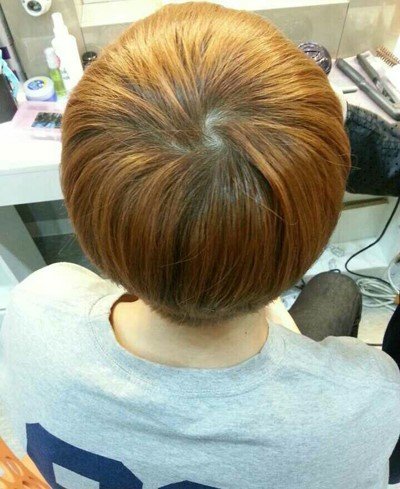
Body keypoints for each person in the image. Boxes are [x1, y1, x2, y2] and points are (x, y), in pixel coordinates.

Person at [1, 3, 399, 488]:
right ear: (315, 230)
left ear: (81, 207)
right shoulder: (365, 401)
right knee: (338, 289)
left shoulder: (37, 304)